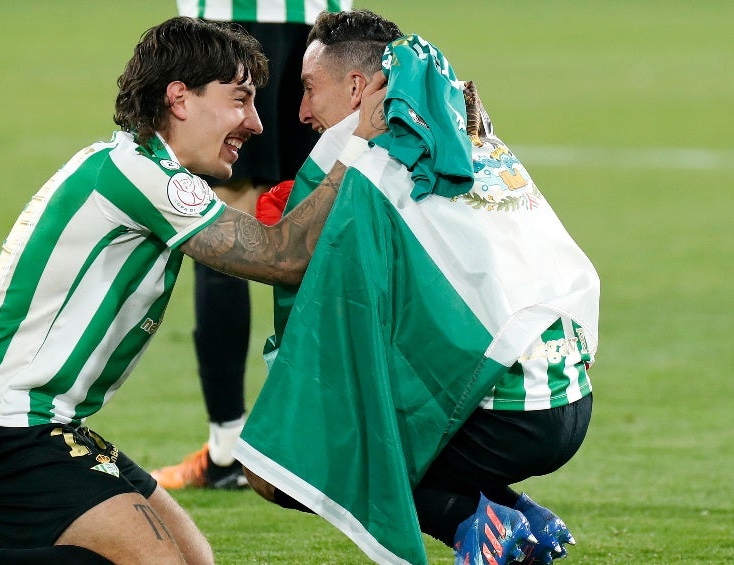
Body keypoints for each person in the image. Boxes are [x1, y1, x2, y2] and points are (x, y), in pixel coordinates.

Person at [0, 15, 387, 565]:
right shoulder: (138, 173)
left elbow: (279, 246)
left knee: (195, 563)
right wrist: (356, 143)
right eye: (240, 99)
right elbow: (282, 256)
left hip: (47, 425)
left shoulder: (147, 171)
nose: (257, 124)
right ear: (180, 98)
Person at [236, 10, 597, 565]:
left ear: (358, 87)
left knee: (275, 465)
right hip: (567, 397)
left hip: (507, 416)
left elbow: (284, 257)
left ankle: (476, 523)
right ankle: (516, 515)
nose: (302, 112)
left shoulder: (362, 156)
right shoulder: (460, 126)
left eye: (309, 90)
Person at [152, 0, 352, 490]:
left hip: (229, 20)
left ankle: (226, 448)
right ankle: (334, 442)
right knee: (328, 225)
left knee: (225, 219)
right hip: (321, 30)